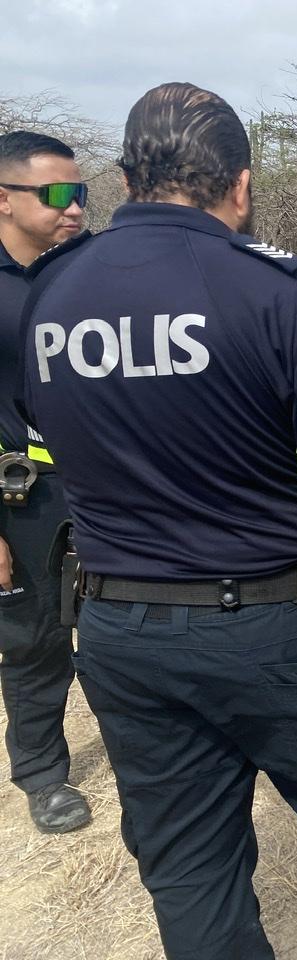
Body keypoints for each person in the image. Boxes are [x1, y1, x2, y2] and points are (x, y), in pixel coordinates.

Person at [20, 83, 297, 960]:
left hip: (118, 633)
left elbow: (52, 452)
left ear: (126, 177)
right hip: (270, 631)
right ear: (241, 185)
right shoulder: (273, 289)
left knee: (187, 863)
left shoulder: (50, 296)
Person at [0, 131, 91, 833]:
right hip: (22, 497)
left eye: (80, 192)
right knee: (33, 637)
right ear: (4, 199)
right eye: (57, 194)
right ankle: (42, 773)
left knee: (129, 621)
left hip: (107, 486)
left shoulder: (89, 274)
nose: (75, 207)